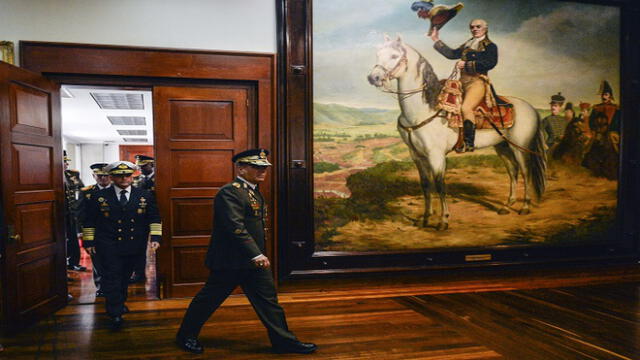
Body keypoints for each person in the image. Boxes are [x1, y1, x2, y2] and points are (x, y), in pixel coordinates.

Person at [176, 149, 317, 355]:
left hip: (253, 261)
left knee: (269, 302)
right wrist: (256, 254)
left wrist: (256, 255)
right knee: (208, 301)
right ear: (241, 168)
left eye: (264, 167)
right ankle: (185, 336)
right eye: (256, 167)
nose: (262, 171)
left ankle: (283, 341)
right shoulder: (230, 192)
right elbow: (235, 227)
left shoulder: (252, 191)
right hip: (231, 261)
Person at [81, 161, 162, 330]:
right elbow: (89, 220)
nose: (124, 179)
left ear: (132, 176)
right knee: (112, 277)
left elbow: (154, 217)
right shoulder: (98, 196)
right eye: (119, 176)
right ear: (111, 177)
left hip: (134, 244)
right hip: (108, 244)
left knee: (125, 277)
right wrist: (88, 242)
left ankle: (119, 302)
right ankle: (115, 313)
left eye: (127, 175)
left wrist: (155, 237)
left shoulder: (144, 195)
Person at [430, 18, 498, 152]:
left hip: (477, 82)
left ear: (485, 28)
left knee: (466, 108)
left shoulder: (490, 46)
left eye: (478, 27)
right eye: (472, 27)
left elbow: (491, 63)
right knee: (444, 100)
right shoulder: (469, 43)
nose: (475, 29)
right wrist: (435, 40)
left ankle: (469, 143)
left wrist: (467, 64)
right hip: (462, 82)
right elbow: (451, 54)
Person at [78, 163, 112, 297]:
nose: (103, 179)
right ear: (94, 176)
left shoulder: (117, 189)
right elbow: (80, 214)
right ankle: (101, 286)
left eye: (106, 176)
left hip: (114, 231)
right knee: (98, 260)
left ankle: (115, 285)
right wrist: (82, 233)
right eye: (100, 176)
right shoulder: (86, 192)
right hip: (95, 232)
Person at [129, 154, 156, 284]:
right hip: (140, 218)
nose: (141, 169)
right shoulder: (135, 180)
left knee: (160, 245)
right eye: (139, 166)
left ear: (152, 165)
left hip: (157, 217)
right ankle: (139, 274)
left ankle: (162, 273)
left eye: (144, 166)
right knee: (138, 247)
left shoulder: (160, 178)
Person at [63, 150, 86, 272]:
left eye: (66, 162)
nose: (66, 164)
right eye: (63, 162)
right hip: (57, 213)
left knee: (72, 238)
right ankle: (62, 266)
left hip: (71, 212)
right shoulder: (49, 174)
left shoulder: (73, 175)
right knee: (60, 240)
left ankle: (73, 263)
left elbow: (81, 190)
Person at [590, 80, 620, 154]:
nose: (603, 97)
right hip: (598, 132)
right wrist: (595, 130)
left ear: (610, 96)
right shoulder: (596, 108)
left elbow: (618, 122)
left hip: (611, 132)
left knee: (615, 143)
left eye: (606, 94)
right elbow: (591, 120)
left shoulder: (616, 108)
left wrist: (611, 130)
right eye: (602, 95)